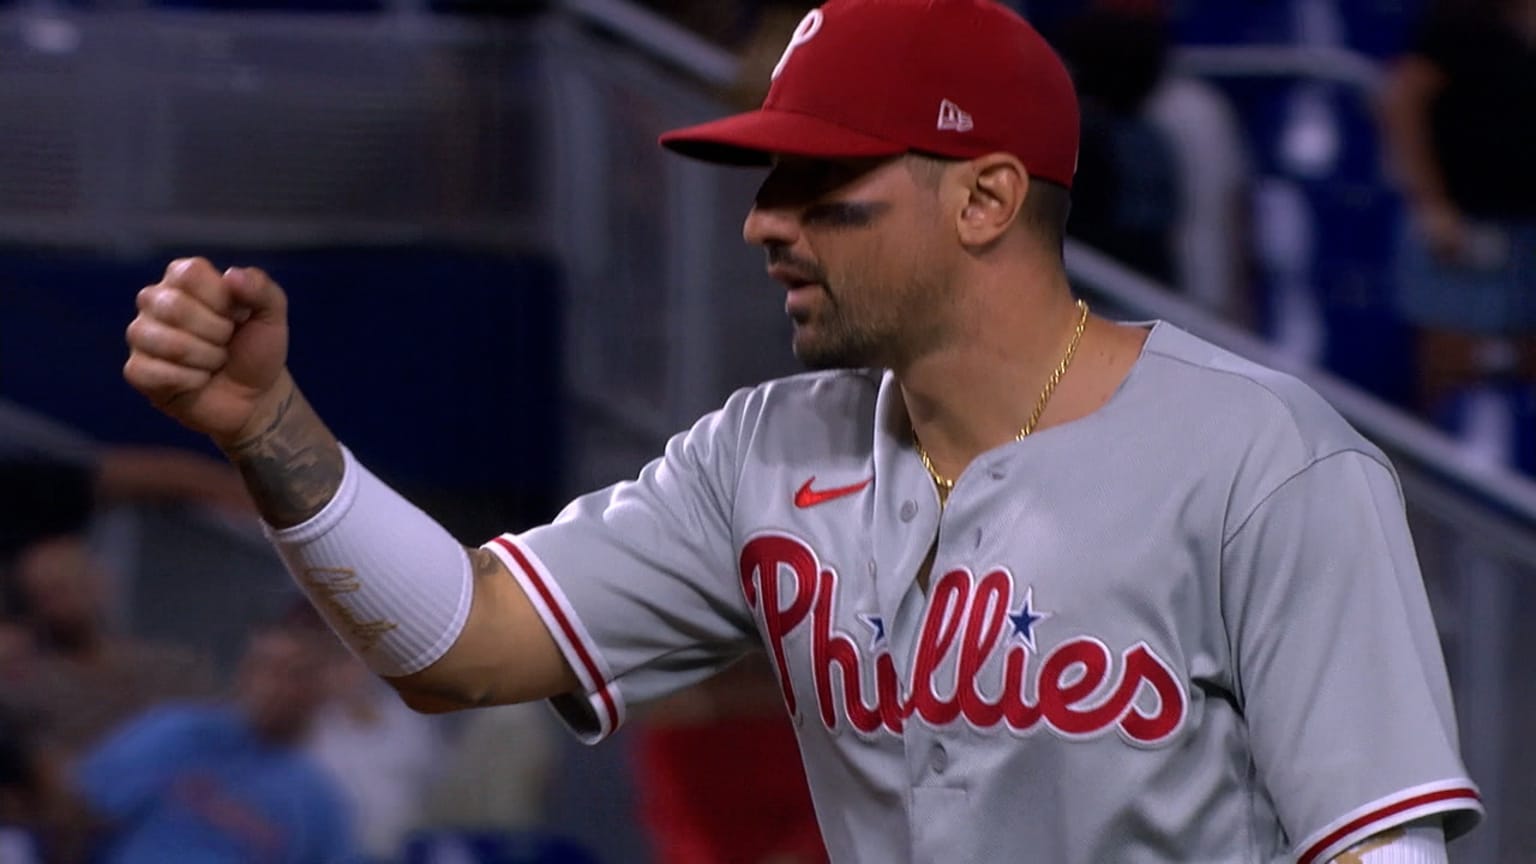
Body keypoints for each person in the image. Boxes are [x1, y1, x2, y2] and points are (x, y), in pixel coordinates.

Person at [121, 0, 1481, 861]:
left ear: (987, 197)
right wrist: (269, 427)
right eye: (767, 177)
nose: (767, 216)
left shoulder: (1260, 460)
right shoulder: (761, 455)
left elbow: (1379, 848)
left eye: (825, 181)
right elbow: (460, 645)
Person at [67, 613, 354, 864]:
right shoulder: (176, 732)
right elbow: (80, 809)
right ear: (244, 672)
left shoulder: (316, 798)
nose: (272, 686)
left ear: (318, 691)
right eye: (264, 666)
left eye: (293, 674)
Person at [1378, 0, 1536, 417]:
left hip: (1527, 232)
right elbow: (1401, 104)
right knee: (1451, 369)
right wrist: (1431, 205)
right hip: (1461, 230)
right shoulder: (1459, 24)